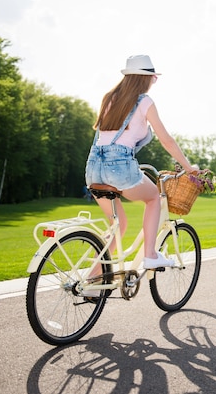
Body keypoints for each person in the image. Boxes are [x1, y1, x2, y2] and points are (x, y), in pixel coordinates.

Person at [85, 54, 198, 269]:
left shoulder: (109, 98)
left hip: (93, 168)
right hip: (119, 168)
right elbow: (166, 140)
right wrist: (188, 167)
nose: (153, 82)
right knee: (154, 197)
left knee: (119, 225)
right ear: (144, 78)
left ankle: (91, 280)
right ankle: (150, 255)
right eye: (153, 78)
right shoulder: (144, 102)